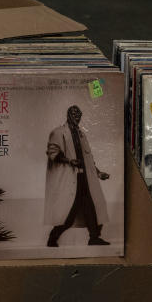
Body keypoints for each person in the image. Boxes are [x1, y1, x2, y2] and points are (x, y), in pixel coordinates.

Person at [45, 105, 111, 247]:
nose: (77, 118)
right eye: (74, 115)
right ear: (68, 115)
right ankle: (52, 238)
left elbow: (89, 159)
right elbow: (53, 154)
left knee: (92, 207)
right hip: (70, 179)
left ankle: (94, 238)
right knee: (69, 213)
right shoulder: (58, 132)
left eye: (79, 116)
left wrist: (99, 173)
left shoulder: (82, 134)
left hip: (85, 178)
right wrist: (69, 161)